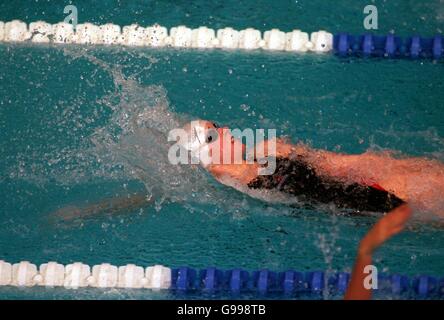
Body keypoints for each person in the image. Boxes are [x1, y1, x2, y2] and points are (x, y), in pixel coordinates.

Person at [176, 120, 444, 216]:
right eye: (214, 133)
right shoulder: (239, 171)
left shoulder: (266, 150)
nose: (225, 130)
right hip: (367, 199)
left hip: (365, 187)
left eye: (218, 124)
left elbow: (340, 163)